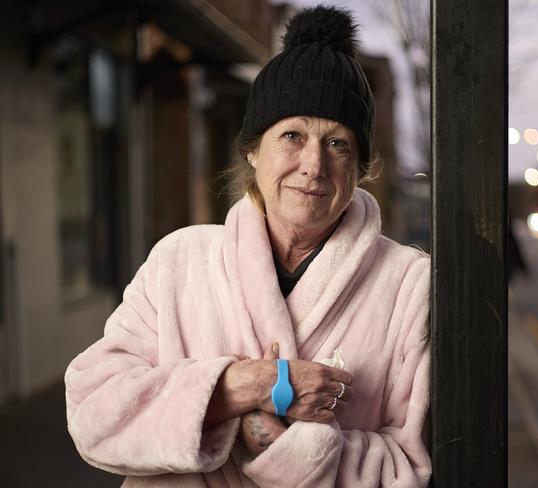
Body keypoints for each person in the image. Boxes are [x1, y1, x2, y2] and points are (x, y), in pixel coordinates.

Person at [65, 5, 431, 487]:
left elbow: (414, 464)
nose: (313, 165)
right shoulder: (180, 261)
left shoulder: (408, 283)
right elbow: (95, 413)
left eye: (338, 144)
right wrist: (240, 388)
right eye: (292, 136)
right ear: (253, 150)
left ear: (360, 168)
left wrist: (293, 448)